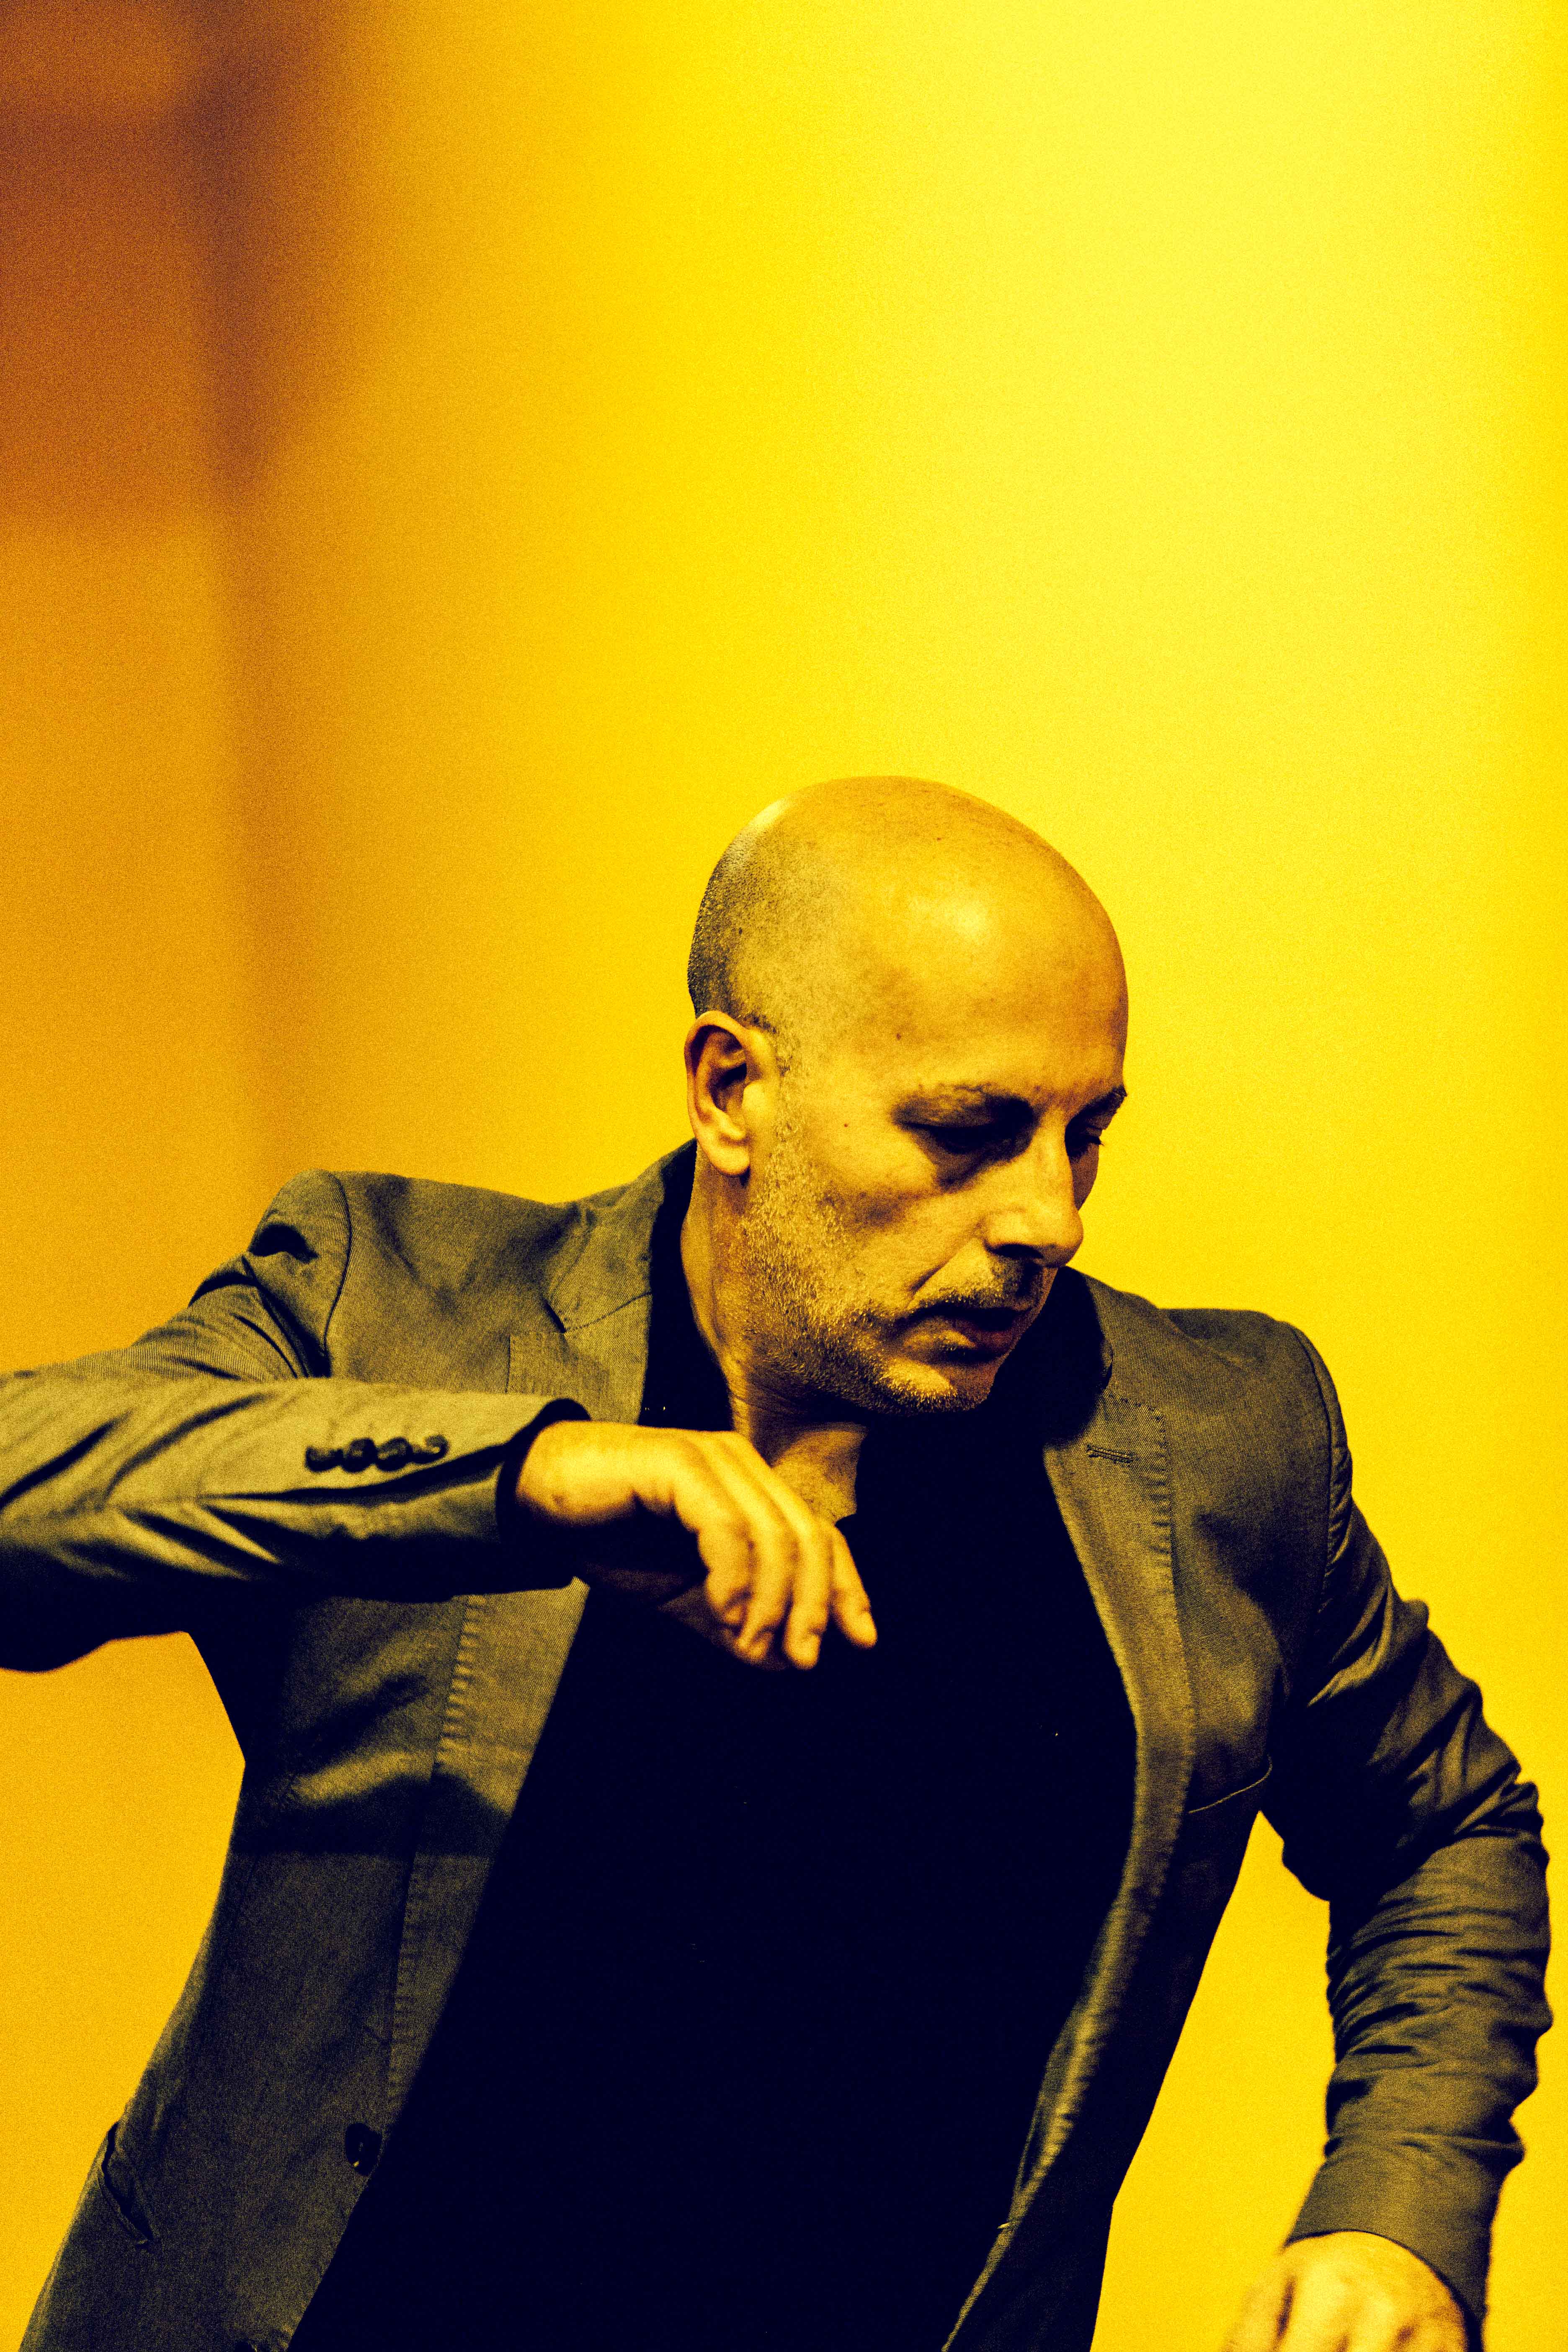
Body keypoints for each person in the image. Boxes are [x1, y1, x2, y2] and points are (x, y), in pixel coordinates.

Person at [3, 777, 1547, 2352]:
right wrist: (522, 1476)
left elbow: (1447, 1825)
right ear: (732, 1088)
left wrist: (1398, 2209)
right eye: (968, 1135)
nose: (1049, 1218)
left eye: (1085, 1139)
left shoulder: (1218, 1443)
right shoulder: (395, 1305)